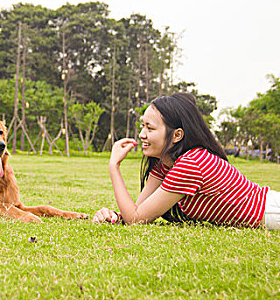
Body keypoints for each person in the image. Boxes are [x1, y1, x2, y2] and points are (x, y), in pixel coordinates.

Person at [93, 93, 280, 230]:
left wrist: (114, 166)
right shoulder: (164, 164)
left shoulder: (191, 164)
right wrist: (113, 217)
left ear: (177, 135)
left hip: (271, 212)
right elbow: (137, 213)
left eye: (150, 128)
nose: (142, 134)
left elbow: (136, 219)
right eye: (143, 126)